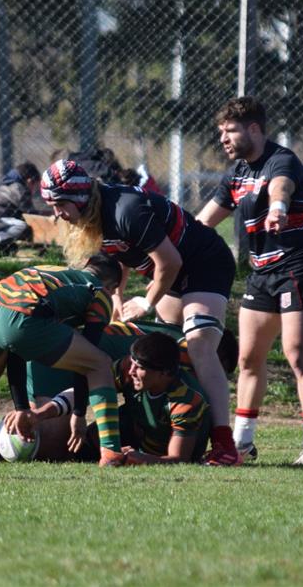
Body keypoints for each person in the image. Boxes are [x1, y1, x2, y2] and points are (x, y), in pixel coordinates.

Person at [40, 159, 241, 466]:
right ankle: (171, 432)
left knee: (200, 345)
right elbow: (119, 253)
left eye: (60, 204)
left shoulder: (125, 209)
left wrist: (146, 302)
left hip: (204, 264)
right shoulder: (97, 211)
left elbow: (169, 262)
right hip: (173, 273)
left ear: (79, 197)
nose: (57, 214)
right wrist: (118, 298)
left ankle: (225, 445)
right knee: (168, 350)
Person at [197, 97, 303, 465]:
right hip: (262, 272)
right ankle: (242, 442)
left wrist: (278, 209)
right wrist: (175, 238)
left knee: (298, 355)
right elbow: (204, 221)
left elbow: (281, 187)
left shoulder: (281, 159)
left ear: (253, 129)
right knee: (248, 358)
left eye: (230, 131)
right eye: (220, 132)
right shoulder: (236, 173)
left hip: (299, 266)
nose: (223, 139)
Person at [0, 256, 129, 466]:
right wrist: (79, 413)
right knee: (99, 363)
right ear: (113, 286)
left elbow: (16, 348)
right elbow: (88, 360)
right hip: (18, 317)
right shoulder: (100, 292)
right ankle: (111, 452)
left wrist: (21, 407)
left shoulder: (54, 271)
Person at [23, 331, 211, 465]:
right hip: (135, 431)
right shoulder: (128, 368)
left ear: (165, 373)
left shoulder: (186, 401)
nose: (132, 371)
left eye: (140, 368)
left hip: (161, 451)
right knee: (86, 440)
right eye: (133, 363)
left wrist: (142, 458)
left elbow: (179, 460)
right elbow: (83, 392)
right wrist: (40, 414)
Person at [0, 162, 44, 256]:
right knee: (21, 226)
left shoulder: (10, 185)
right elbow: (30, 213)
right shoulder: (20, 189)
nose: (34, 191)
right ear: (29, 181)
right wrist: (46, 215)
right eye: (35, 187)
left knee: (11, 247)